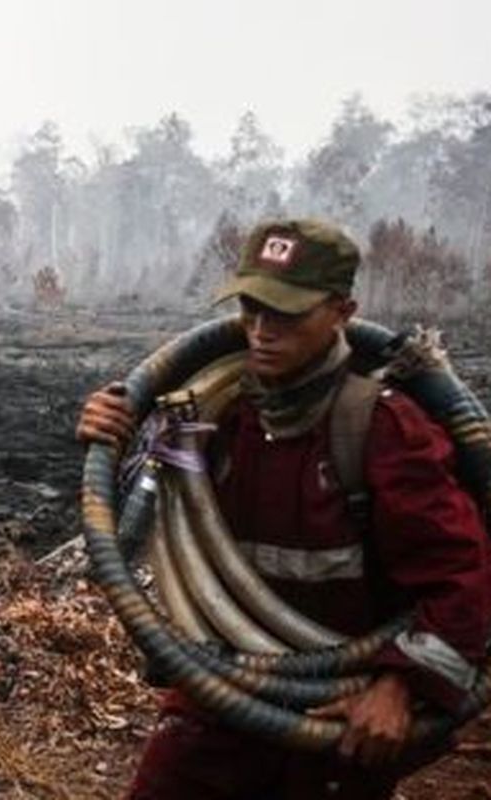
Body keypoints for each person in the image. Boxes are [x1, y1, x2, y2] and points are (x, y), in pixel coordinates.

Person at [76, 219, 491, 799]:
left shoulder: (383, 431)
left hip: (338, 711)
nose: (263, 331)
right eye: (252, 308)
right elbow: (142, 515)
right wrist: (116, 432)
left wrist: (400, 686)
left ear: (342, 311)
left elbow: (463, 584)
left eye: (288, 313)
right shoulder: (216, 414)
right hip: (224, 691)